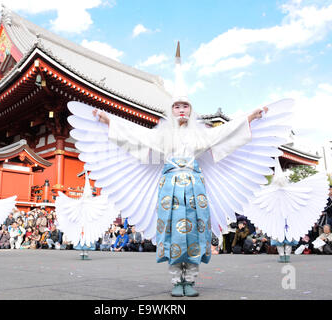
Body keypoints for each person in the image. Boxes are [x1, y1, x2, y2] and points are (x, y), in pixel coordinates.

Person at [69, 42, 293, 297]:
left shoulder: (201, 135)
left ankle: (192, 280)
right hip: (170, 191)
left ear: (191, 110)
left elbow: (226, 133)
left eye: (185, 106)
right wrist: (109, 121)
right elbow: (133, 135)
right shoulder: (162, 136)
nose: (181, 110)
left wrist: (250, 118)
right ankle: (177, 280)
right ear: (171, 110)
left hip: (196, 190)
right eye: (177, 106)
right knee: (173, 233)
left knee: (196, 231)